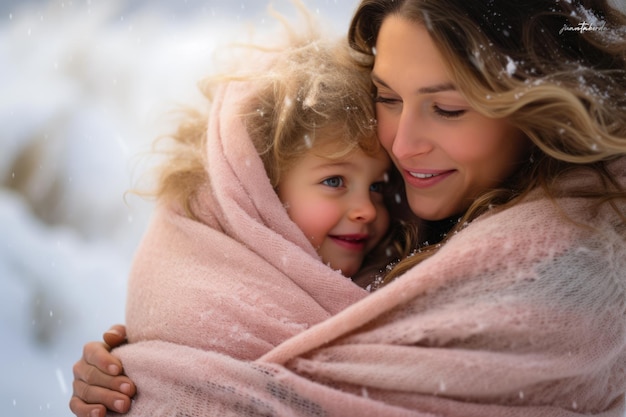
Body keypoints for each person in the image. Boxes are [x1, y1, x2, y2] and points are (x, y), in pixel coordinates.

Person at [71, 0, 626, 416]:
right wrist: (151, 361)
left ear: (537, 100)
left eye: (448, 108)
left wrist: (171, 385)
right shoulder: (413, 208)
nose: (402, 144)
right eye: (387, 96)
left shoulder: (572, 270)